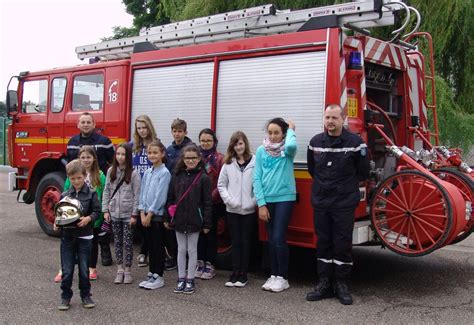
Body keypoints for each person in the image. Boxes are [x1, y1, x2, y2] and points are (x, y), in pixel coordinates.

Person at [306, 104, 370, 305]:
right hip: (322, 202)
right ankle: (324, 283)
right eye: (327, 118)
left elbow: (363, 172)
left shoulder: (356, 143)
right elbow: (312, 170)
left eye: (334, 118)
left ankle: (341, 284)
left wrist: (343, 187)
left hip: (343, 203)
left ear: (343, 119)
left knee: (342, 244)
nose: (330, 122)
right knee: (323, 243)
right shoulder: (315, 142)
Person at [254, 118, 297, 293]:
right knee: (271, 239)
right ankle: (273, 274)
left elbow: (293, 146)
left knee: (279, 237)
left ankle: (283, 277)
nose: (272, 136)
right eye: (270, 132)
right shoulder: (260, 151)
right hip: (267, 200)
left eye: (276, 132)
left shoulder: (287, 150)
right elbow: (256, 177)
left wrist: (292, 130)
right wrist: (261, 203)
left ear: (283, 134)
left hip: (285, 198)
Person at [55, 146, 107, 283]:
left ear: (94, 158)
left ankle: (91, 267)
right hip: (72, 217)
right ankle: (65, 268)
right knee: (70, 244)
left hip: (92, 214)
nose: (86, 160)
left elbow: (104, 192)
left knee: (92, 242)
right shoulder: (72, 174)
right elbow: (65, 192)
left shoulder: (100, 175)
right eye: (83, 157)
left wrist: (99, 213)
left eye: (88, 157)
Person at [164, 144, 212, 294]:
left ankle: (190, 279)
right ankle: (180, 278)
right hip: (178, 219)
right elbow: (170, 198)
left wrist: (206, 222)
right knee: (180, 249)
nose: (190, 161)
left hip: (194, 220)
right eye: (187, 158)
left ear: (199, 159)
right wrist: (167, 217)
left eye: (193, 158)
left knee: (192, 250)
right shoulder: (176, 176)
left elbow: (207, 203)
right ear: (182, 159)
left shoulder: (204, 178)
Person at [55, 160, 100, 311]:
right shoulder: (65, 195)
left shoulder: (92, 193)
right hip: (67, 237)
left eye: (79, 178)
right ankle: (65, 296)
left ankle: (86, 295)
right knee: (67, 269)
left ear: (84, 176)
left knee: (83, 269)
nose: (76, 181)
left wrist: (88, 219)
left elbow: (97, 212)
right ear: (69, 178)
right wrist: (57, 223)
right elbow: (59, 215)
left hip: (85, 237)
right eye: (72, 178)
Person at [217, 131, 256, 287]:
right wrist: (229, 200)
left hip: (249, 210)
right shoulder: (228, 164)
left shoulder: (255, 161)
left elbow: (259, 184)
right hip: (232, 210)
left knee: (246, 242)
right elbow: (221, 185)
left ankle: (243, 274)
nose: (238, 146)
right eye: (235, 144)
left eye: (240, 143)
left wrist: (253, 202)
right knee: (236, 241)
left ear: (245, 144)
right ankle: (234, 272)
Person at [102, 143, 141, 284]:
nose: (120, 157)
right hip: (114, 213)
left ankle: (128, 270)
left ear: (128, 156)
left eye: (123, 154)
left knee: (128, 243)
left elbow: (137, 195)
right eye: (118, 154)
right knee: (117, 242)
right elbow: (106, 191)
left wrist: (134, 214)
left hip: (128, 213)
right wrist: (105, 210)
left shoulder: (134, 173)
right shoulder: (110, 171)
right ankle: (119, 269)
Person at [137, 140, 171, 290]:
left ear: (162, 154)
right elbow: (143, 192)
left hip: (155, 216)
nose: (152, 155)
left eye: (155, 152)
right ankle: (151, 272)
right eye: (150, 153)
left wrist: (150, 213)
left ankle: (159, 275)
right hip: (145, 215)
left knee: (158, 246)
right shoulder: (148, 172)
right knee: (150, 245)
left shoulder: (164, 173)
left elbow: (160, 196)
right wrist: (141, 211)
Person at [164, 118, 194, 270]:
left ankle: (188, 259)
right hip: (173, 191)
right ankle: (173, 257)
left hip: (186, 191)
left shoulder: (191, 148)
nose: (177, 134)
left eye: (180, 131)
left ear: (186, 132)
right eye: (174, 131)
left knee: (186, 227)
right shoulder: (169, 150)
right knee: (172, 225)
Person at [130, 115, 159, 268]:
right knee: (139, 223)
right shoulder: (132, 145)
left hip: (151, 189)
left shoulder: (156, 144)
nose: (142, 131)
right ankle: (143, 250)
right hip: (136, 189)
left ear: (149, 127)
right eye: (139, 128)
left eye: (144, 127)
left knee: (149, 222)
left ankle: (145, 252)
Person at [196, 128, 225, 280]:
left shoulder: (220, 159)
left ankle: (210, 264)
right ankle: (200, 262)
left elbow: (222, 181)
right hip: (198, 203)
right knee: (199, 233)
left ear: (214, 142)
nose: (205, 143)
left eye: (208, 140)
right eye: (203, 141)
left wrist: (209, 199)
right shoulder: (195, 158)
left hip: (214, 203)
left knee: (211, 233)